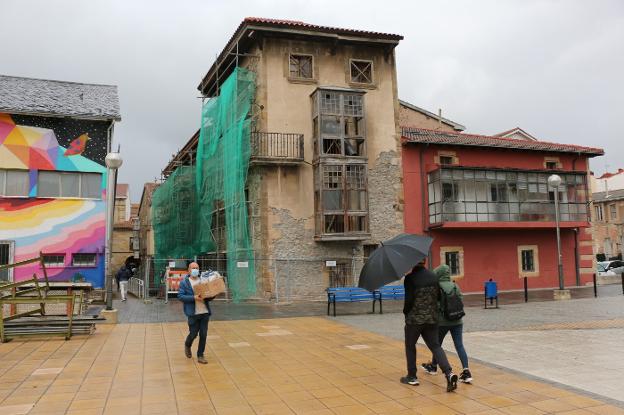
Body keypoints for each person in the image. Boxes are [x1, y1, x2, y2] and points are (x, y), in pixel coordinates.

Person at [401, 259, 458, 392]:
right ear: (425, 261)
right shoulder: (433, 276)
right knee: (435, 346)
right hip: (432, 318)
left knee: (410, 346)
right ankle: (449, 374)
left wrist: (406, 313)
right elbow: (438, 297)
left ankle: (412, 376)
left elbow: (408, 301)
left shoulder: (410, 278)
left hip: (415, 320)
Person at [421, 264, 473, 383]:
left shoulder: (436, 287)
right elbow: (460, 300)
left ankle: (433, 367)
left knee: (436, 345)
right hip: (457, 320)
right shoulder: (455, 286)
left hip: (442, 322)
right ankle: (466, 371)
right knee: (459, 345)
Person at [178, 262, 213, 364]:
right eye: (193, 268)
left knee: (203, 334)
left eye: (197, 268)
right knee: (193, 334)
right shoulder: (184, 282)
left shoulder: (203, 281)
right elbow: (180, 296)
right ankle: (187, 344)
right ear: (188, 270)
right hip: (193, 313)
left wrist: (213, 293)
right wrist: (193, 297)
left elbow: (209, 296)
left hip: (204, 312)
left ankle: (200, 355)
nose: (195, 270)